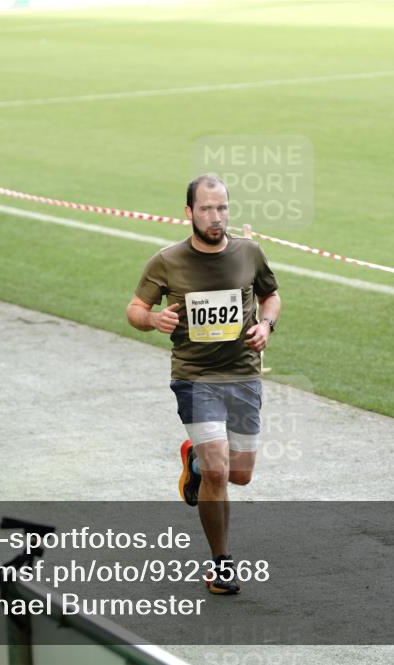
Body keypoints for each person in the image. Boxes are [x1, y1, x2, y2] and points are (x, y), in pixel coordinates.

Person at [126, 174, 281, 595]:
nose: (216, 217)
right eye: (208, 209)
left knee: (240, 475)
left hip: (244, 375)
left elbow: (271, 295)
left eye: (223, 208)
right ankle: (221, 563)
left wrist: (267, 325)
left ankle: (193, 462)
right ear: (189, 212)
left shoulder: (249, 252)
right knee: (218, 470)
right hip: (195, 378)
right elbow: (135, 309)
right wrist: (153, 319)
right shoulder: (167, 261)